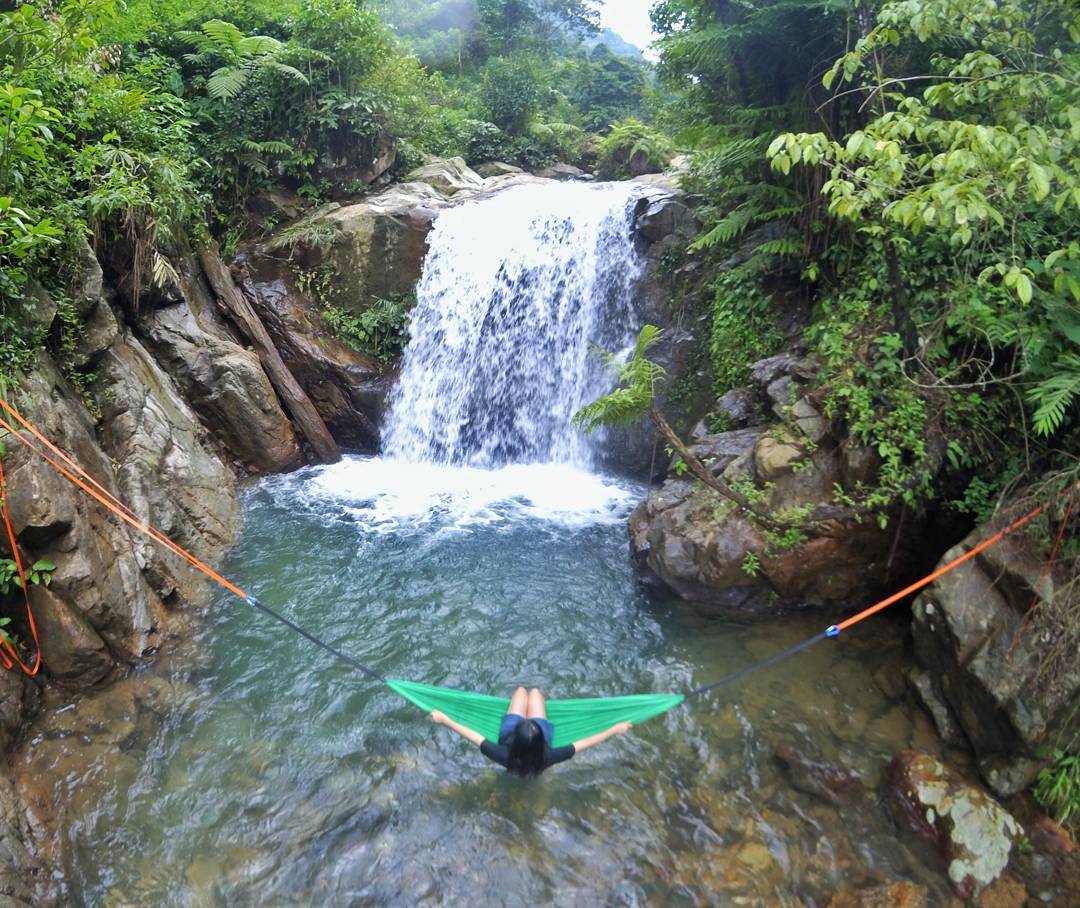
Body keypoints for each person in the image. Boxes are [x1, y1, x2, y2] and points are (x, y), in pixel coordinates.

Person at [430, 686, 632, 777]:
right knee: (535, 692)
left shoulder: (503, 754)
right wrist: (614, 728)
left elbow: (472, 735)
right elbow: (586, 742)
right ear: (541, 740)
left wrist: (445, 720)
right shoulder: (547, 756)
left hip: (515, 734)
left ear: (516, 739)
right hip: (528, 737)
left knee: (521, 691)